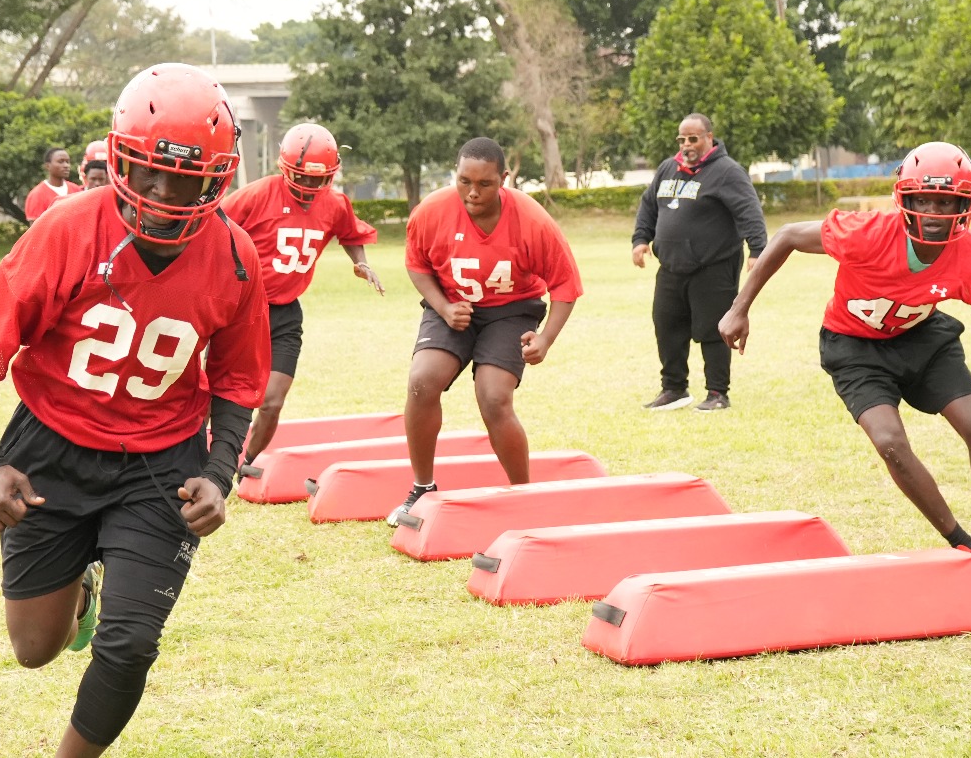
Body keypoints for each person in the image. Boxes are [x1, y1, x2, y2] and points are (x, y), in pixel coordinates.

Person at [0, 63, 270, 756]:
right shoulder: (67, 229)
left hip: (162, 459)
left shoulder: (237, 258)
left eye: (183, 176)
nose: (162, 193)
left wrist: (220, 473)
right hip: (53, 444)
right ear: (119, 159)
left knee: (130, 643)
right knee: (35, 648)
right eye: (149, 171)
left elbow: (240, 381)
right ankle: (83, 587)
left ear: (216, 177)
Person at [718, 141, 971, 569]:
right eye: (924, 199)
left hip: (922, 337)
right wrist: (739, 307)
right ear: (905, 198)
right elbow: (785, 236)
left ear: (966, 202)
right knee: (890, 441)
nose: (933, 211)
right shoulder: (868, 232)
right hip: (854, 346)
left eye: (946, 200)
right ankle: (961, 543)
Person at [386, 137, 583, 525]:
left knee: (493, 397)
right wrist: (443, 307)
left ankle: (522, 494)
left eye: (485, 184)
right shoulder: (432, 211)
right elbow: (417, 264)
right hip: (453, 308)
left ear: (504, 179)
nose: (473, 193)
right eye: (464, 181)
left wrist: (546, 338)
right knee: (422, 381)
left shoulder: (533, 221)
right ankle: (422, 488)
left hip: (511, 311)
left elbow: (565, 286)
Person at [220, 122, 384, 479]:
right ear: (285, 167)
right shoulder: (257, 194)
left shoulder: (335, 202)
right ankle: (194, 454)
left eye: (318, 178)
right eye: (303, 177)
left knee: (272, 400)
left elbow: (349, 231)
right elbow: (215, 223)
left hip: (285, 311)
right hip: (243, 306)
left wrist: (360, 263)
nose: (310, 185)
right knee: (215, 391)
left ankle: (243, 463)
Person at [632, 113, 767, 412]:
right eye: (682, 140)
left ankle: (718, 393)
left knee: (714, 330)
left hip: (714, 266)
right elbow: (649, 205)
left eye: (693, 139)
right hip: (671, 268)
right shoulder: (668, 168)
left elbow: (749, 210)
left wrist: (758, 250)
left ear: (709, 137)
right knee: (666, 327)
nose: (687, 145)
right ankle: (674, 389)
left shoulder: (727, 172)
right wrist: (640, 239)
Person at [24, 146, 82, 222]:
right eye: (60, 161)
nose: (66, 165)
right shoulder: (37, 195)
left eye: (67, 162)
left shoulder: (77, 190)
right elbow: (35, 230)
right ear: (47, 166)